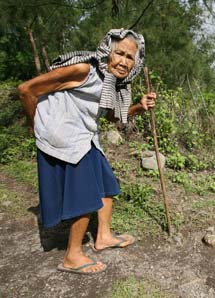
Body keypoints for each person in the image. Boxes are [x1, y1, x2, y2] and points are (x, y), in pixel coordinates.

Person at [17, 29, 156, 274]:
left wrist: (139, 107)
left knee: (106, 185)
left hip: (85, 135)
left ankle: (102, 236)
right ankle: (72, 256)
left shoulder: (113, 83)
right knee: (86, 195)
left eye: (130, 57)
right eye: (119, 53)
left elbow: (113, 116)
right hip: (63, 136)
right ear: (107, 52)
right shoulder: (83, 71)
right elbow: (26, 89)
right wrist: (33, 125)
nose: (123, 61)